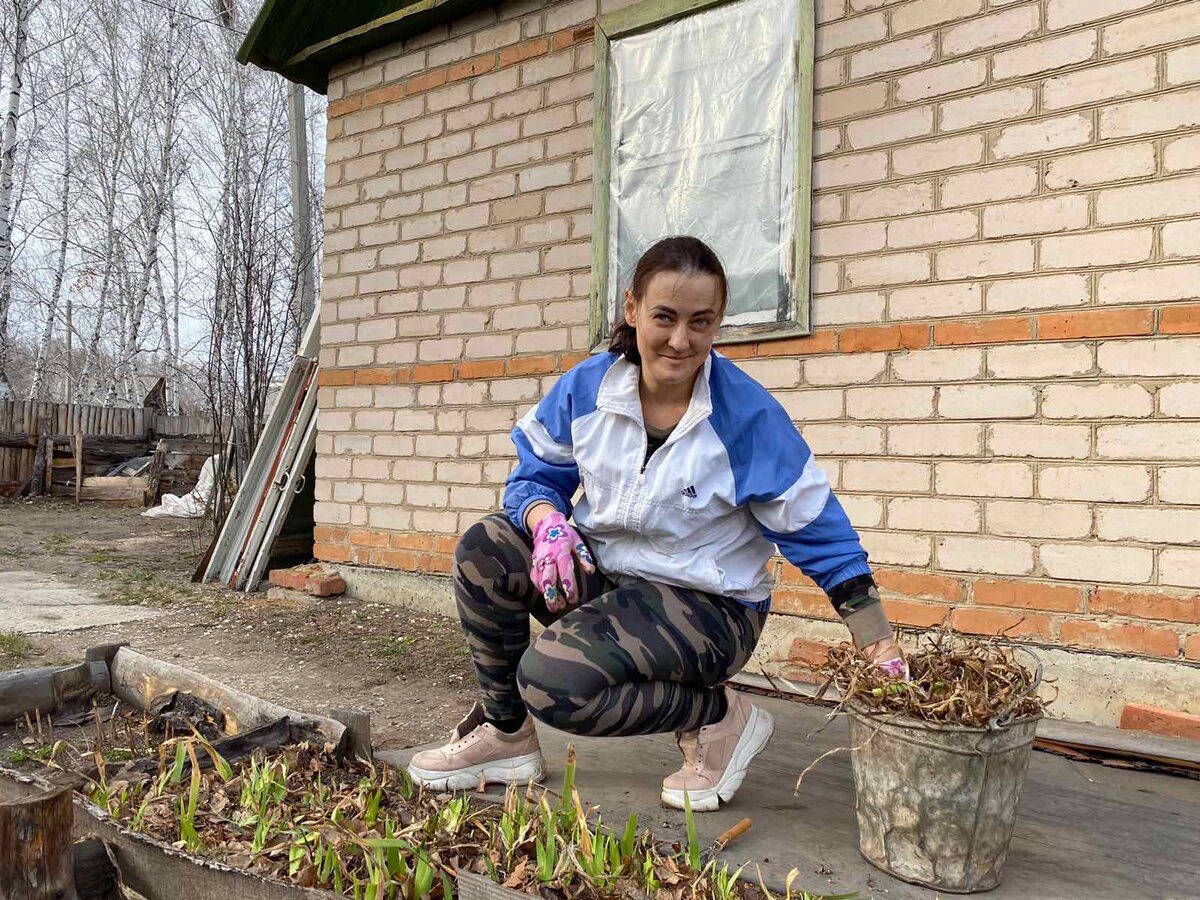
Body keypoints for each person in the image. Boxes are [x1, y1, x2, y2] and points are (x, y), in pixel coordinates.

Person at [408, 236, 905, 811]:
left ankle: (720, 716)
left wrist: (878, 644)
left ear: (719, 322)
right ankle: (506, 738)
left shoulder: (745, 418)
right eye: (664, 317)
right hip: (613, 583)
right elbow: (535, 478)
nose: (680, 339)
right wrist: (546, 522)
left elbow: (823, 537)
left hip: (711, 608)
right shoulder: (588, 389)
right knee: (486, 549)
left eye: (701, 321)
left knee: (553, 682)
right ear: (631, 310)